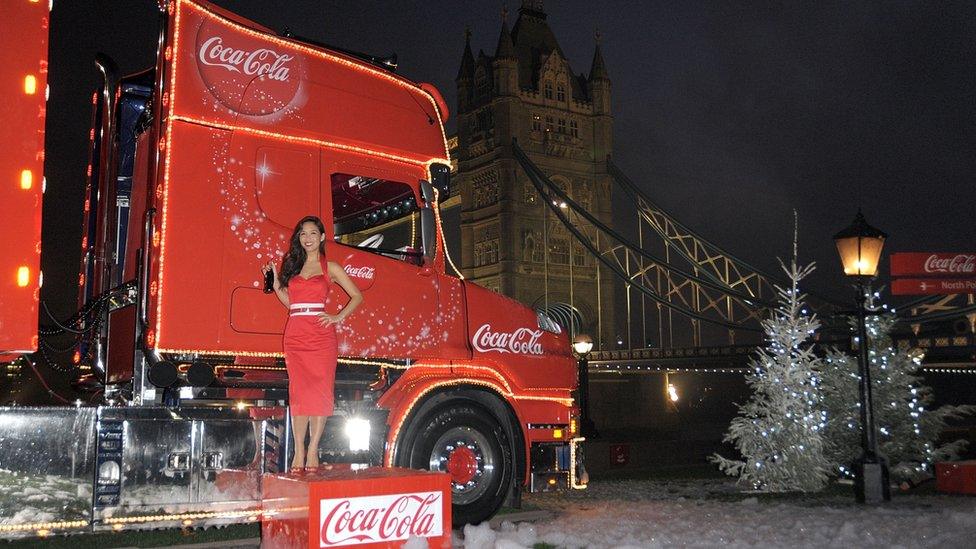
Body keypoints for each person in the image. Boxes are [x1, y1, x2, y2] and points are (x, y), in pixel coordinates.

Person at [262, 215, 363, 470]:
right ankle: (298, 452)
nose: (307, 238)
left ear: (322, 237)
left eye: (312, 233)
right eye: (303, 233)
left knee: (319, 393)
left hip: (321, 337)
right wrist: (275, 284)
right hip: (295, 334)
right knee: (299, 393)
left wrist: (337, 316)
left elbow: (357, 295)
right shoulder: (293, 267)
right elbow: (291, 303)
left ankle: (314, 451)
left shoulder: (331, 267)